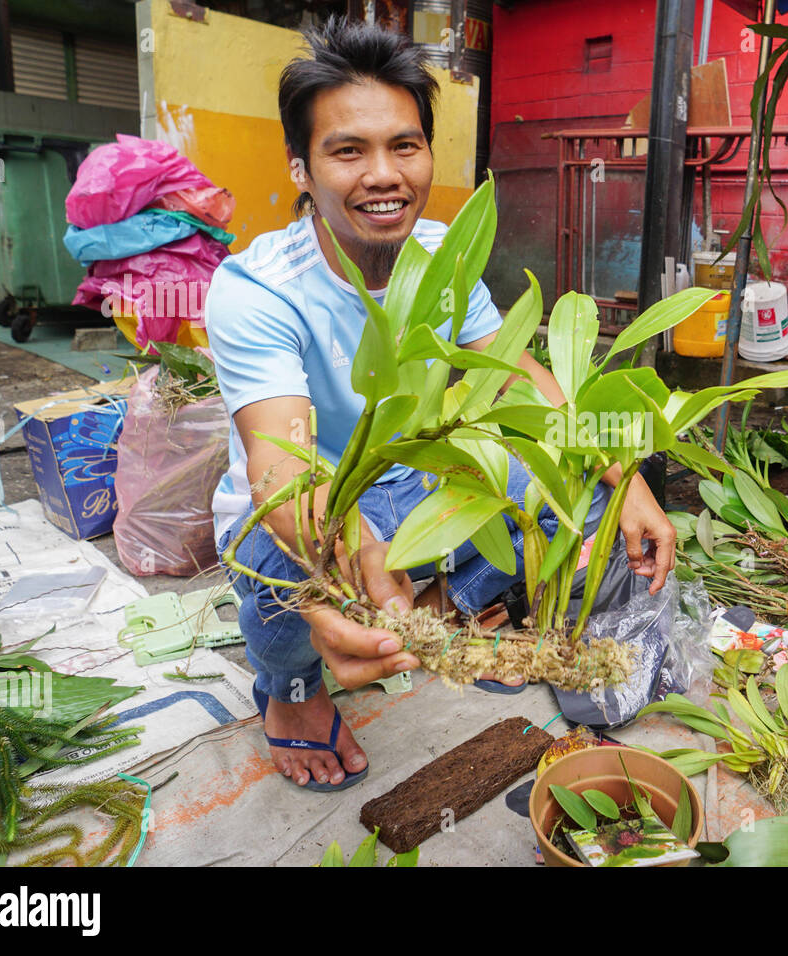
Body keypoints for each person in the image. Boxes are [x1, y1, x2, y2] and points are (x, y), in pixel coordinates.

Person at [205, 17, 676, 791]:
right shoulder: (258, 289)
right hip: (328, 498)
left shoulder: (442, 250)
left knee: (572, 483)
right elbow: (280, 465)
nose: (384, 174)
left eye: (405, 145)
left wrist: (628, 481)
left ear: (428, 152)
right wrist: (356, 565)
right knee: (270, 556)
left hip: (423, 475)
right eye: (347, 150)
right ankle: (291, 692)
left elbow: (516, 372)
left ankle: (448, 611)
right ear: (300, 166)